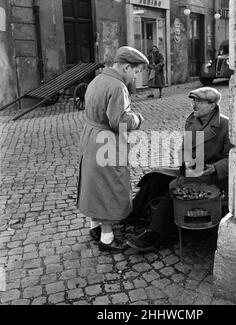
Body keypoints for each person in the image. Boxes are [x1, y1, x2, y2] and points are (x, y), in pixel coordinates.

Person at [126, 87, 234, 252]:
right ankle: (133, 215)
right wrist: (185, 160)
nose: (194, 105)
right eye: (193, 101)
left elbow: (232, 157)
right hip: (192, 169)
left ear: (212, 105)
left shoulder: (225, 125)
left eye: (199, 101)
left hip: (212, 175)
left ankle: (156, 235)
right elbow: (185, 148)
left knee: (177, 187)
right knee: (155, 177)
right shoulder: (192, 121)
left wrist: (213, 168)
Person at [77, 46, 149, 252]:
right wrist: (137, 118)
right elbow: (119, 122)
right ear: (126, 67)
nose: (135, 76)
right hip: (107, 142)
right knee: (110, 184)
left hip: (90, 137)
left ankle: (95, 226)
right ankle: (107, 239)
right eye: (135, 72)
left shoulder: (97, 79)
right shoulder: (118, 86)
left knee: (93, 183)